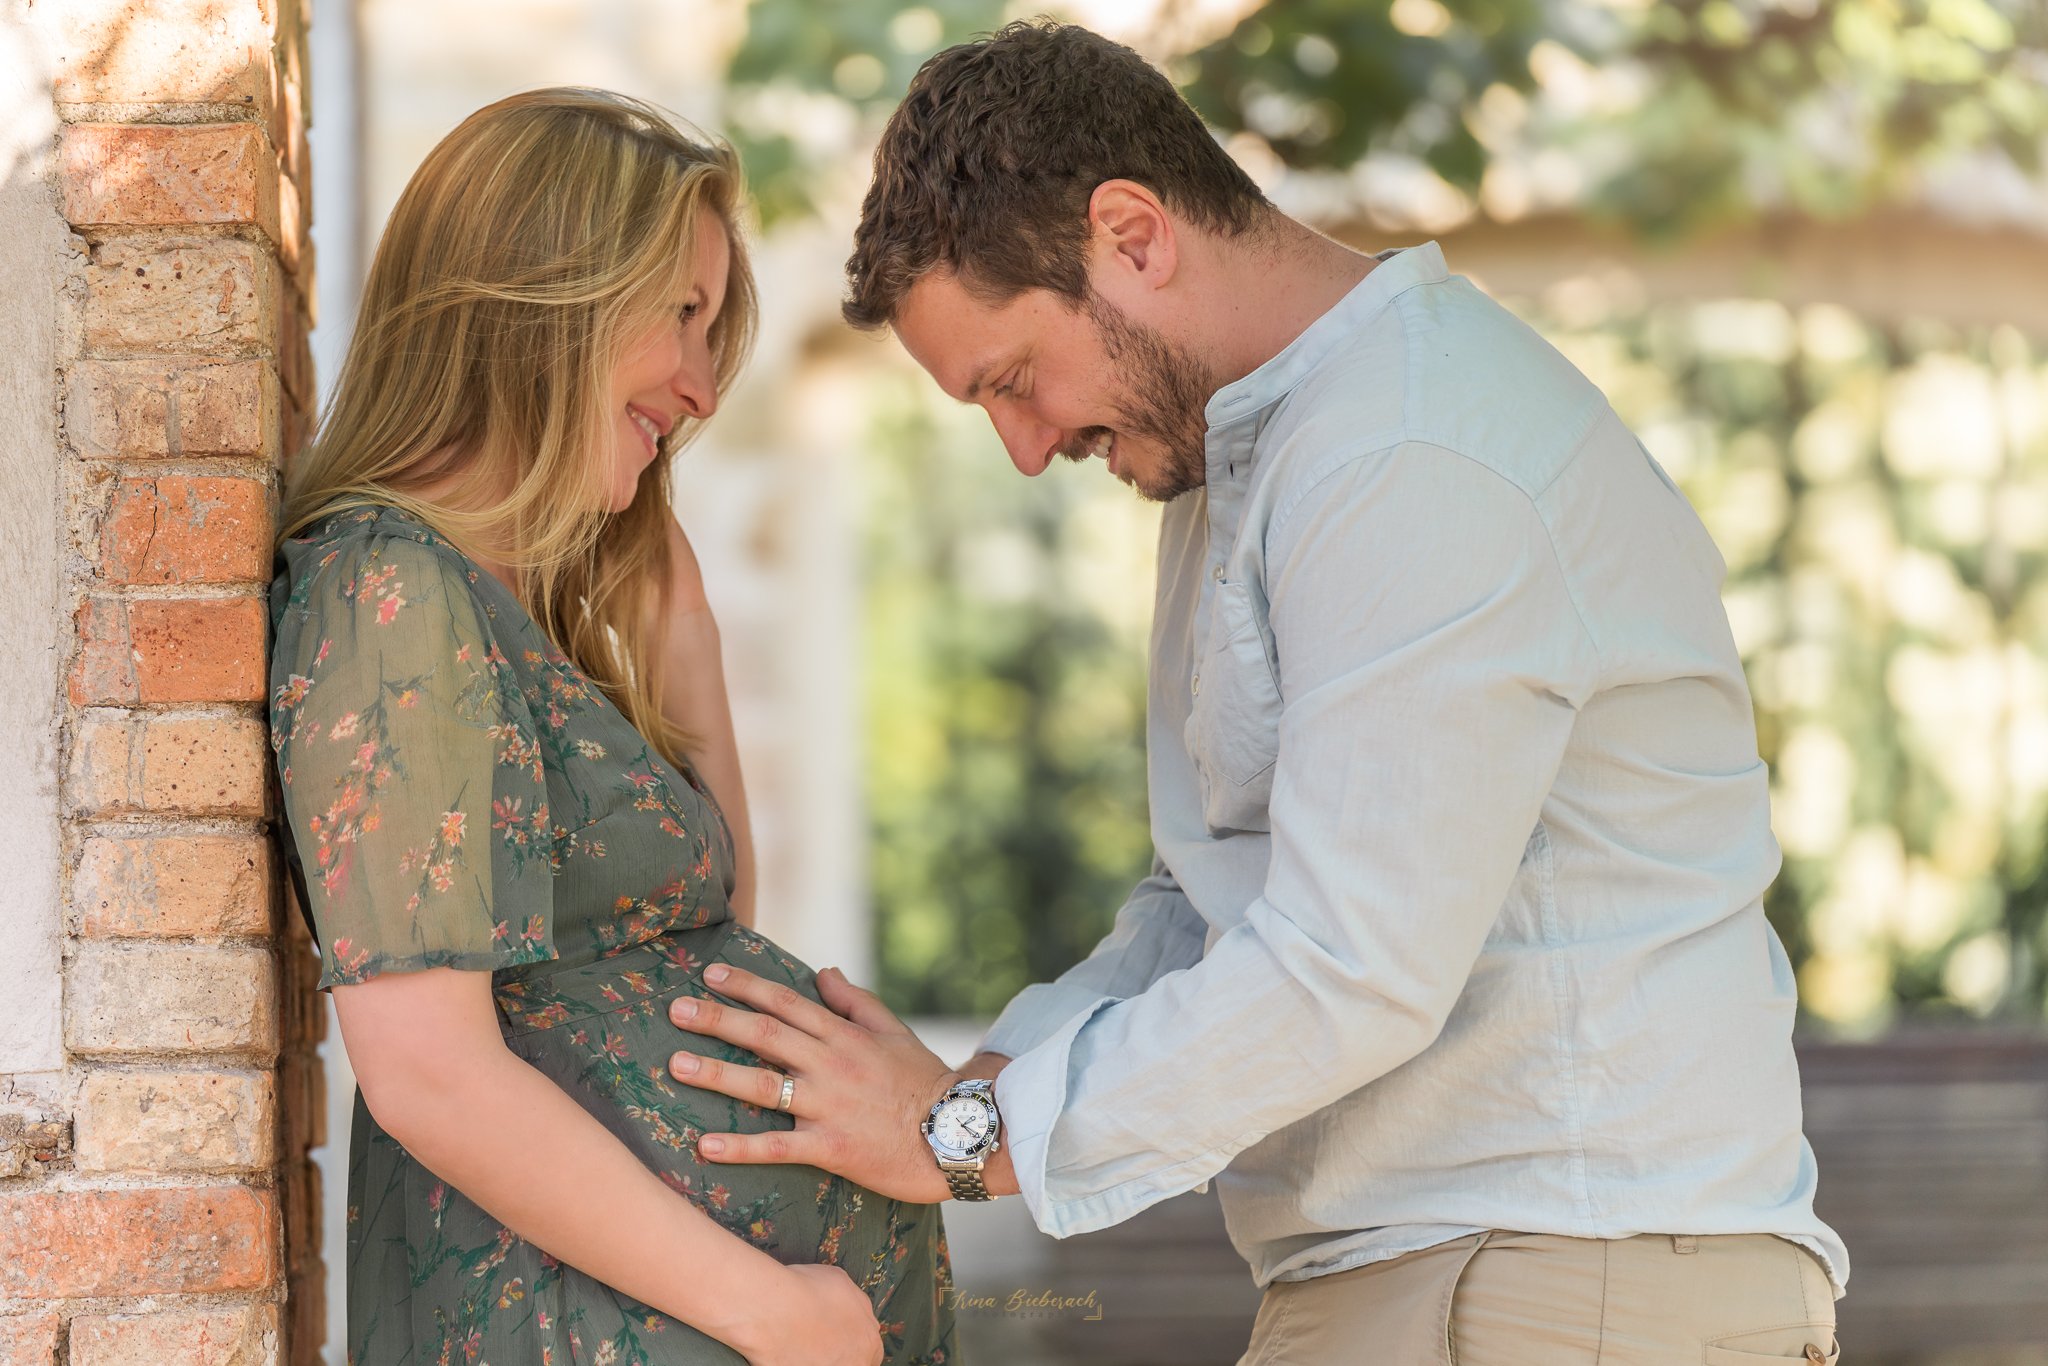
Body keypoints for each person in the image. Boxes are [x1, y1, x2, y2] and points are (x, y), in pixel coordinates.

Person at [660, 21, 1850, 1364]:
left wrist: (958, 1138)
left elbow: (1347, 964)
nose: (1026, 449)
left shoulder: (1408, 452)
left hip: (1557, 1277)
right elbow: (1213, 890)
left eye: (1014, 381)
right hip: (1445, 1274)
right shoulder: (1256, 454)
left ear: (1132, 235)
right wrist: (979, 1082)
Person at [267, 88, 954, 1366]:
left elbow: (712, 922)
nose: (701, 387)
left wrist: (682, 627)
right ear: (545, 293)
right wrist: (772, 1311)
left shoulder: (511, 611)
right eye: (680, 315)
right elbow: (428, 1071)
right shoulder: (388, 592)